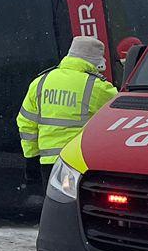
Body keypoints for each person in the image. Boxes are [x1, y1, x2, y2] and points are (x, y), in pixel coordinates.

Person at [17, 36, 117, 177]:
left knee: (53, 199)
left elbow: (26, 123)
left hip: (48, 163)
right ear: (96, 62)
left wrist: (31, 156)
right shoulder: (98, 87)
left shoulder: (40, 82)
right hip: (80, 163)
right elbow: (123, 118)